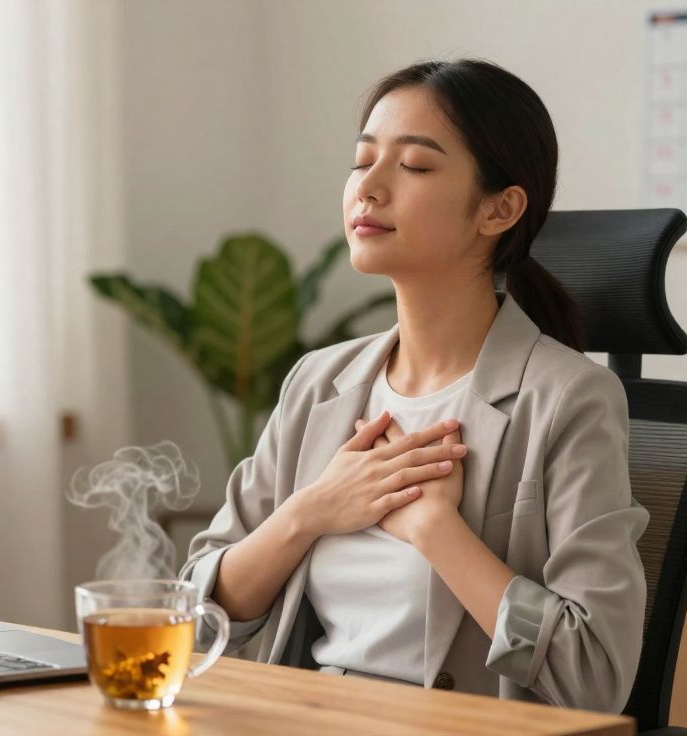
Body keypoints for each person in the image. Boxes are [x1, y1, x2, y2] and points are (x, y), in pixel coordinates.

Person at [179, 58, 649, 713]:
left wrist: (437, 530)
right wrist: (310, 513)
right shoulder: (320, 384)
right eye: (362, 159)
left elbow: (595, 678)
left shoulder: (569, 400)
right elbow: (198, 622)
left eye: (415, 166)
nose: (367, 188)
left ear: (499, 208)